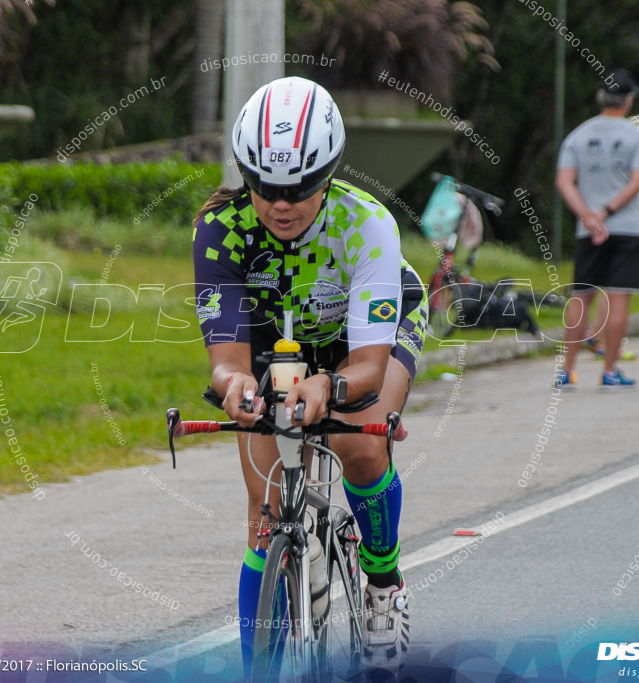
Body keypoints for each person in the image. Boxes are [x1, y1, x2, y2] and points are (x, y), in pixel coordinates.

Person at [192, 76, 427, 677]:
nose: (281, 203)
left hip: (364, 336)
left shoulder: (366, 223)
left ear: (329, 175)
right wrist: (235, 389)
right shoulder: (221, 230)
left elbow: (370, 369)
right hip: (278, 337)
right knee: (265, 510)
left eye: (300, 187)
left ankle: (382, 584)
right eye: (265, 185)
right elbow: (227, 361)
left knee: (359, 443)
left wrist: (329, 387)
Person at [554, 69, 639, 390]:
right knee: (618, 298)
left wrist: (588, 215)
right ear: (628, 101)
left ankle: (568, 371)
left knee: (581, 296)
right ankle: (609, 370)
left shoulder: (578, 135)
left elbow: (564, 182)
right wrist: (607, 211)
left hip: (590, 230)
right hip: (629, 227)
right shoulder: (636, 135)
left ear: (601, 98)